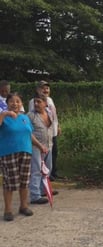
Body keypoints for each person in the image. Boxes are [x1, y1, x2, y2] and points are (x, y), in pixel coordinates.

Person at [0, 93, 44, 221]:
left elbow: (29, 135)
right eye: (12, 102)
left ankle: (23, 206)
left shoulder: (24, 118)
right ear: (7, 104)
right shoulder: (3, 117)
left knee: (24, 181)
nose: (15, 104)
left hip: (25, 152)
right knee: (10, 182)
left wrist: (40, 146)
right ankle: (8, 210)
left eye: (18, 101)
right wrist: (4, 114)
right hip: (8, 153)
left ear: (21, 104)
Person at [29, 81, 61, 180]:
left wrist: (58, 125)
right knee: (40, 161)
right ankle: (43, 181)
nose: (45, 90)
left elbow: (53, 115)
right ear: (37, 89)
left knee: (53, 153)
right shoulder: (33, 101)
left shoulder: (50, 100)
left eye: (47, 88)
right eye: (43, 88)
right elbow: (33, 118)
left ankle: (52, 174)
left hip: (51, 132)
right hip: (40, 136)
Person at [28, 93, 56, 204]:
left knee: (47, 169)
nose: (36, 104)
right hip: (36, 146)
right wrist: (39, 146)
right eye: (35, 101)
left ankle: (43, 189)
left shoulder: (49, 113)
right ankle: (35, 195)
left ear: (45, 103)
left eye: (39, 101)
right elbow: (28, 133)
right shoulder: (30, 115)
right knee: (36, 170)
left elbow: (51, 127)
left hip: (48, 145)